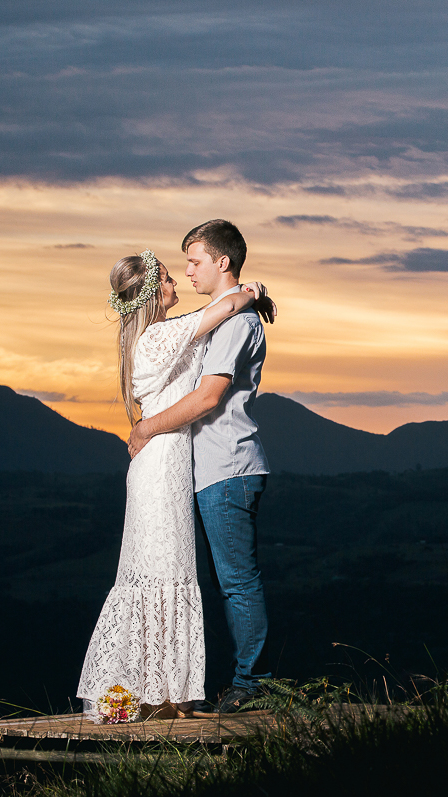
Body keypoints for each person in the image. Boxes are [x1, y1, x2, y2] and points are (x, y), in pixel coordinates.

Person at [76, 248, 273, 720]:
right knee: (164, 571)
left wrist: (249, 296)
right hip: (162, 463)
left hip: (169, 461)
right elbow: (225, 306)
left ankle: (161, 690)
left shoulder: (162, 333)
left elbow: (214, 314)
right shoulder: (160, 336)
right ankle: (155, 692)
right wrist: (252, 291)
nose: (176, 282)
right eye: (165, 278)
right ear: (149, 294)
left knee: (164, 570)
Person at [127, 220, 270, 713]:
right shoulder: (217, 316)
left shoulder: (235, 323)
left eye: (194, 261)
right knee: (221, 581)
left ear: (221, 262)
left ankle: (252, 684)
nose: (187, 271)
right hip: (205, 467)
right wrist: (252, 292)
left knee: (237, 582)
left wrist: (146, 428)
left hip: (226, 464)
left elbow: (208, 397)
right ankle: (200, 686)